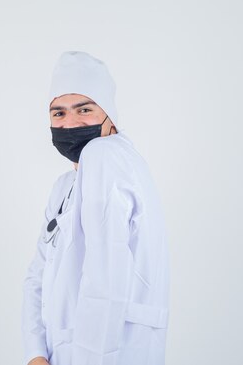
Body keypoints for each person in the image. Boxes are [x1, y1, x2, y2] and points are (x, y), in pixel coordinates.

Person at [21, 51, 170, 365]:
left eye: (84, 109)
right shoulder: (64, 187)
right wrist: (35, 353)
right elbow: (37, 277)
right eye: (58, 114)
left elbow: (106, 276)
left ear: (110, 116)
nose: (70, 123)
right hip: (58, 354)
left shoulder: (106, 156)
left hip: (108, 354)